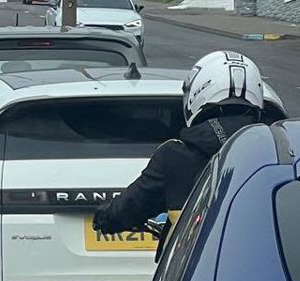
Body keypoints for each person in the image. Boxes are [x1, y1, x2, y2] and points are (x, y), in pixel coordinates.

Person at [93, 50, 273, 240]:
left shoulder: (177, 155)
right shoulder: (279, 149)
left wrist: (104, 217)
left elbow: (130, 207)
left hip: (202, 267)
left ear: (197, 93)